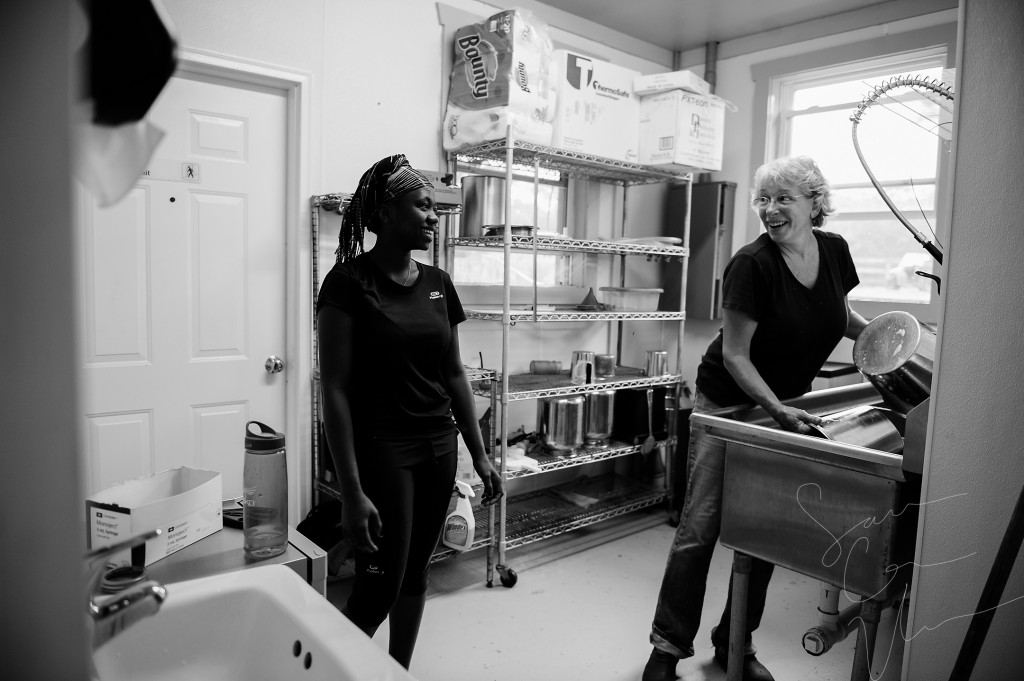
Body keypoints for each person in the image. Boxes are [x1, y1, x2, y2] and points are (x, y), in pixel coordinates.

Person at [642, 155, 869, 681]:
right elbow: (735, 356)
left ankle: (734, 640)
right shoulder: (752, 263)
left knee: (767, 532)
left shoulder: (834, 251)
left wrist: (886, 340)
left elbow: (838, 313)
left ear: (815, 202)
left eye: (783, 198)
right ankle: (667, 647)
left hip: (789, 408)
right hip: (730, 405)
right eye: (763, 199)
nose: (770, 209)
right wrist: (776, 410)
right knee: (700, 529)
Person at [316, 154, 503, 669]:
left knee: (416, 573)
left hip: (437, 447)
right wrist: (352, 492)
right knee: (378, 588)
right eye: (422, 206)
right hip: (383, 451)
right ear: (385, 212)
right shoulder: (348, 284)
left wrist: (480, 456)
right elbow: (333, 390)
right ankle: (340, 670)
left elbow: (455, 374)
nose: (433, 217)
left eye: (433, 209)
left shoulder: (439, 282)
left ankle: (397, 672)